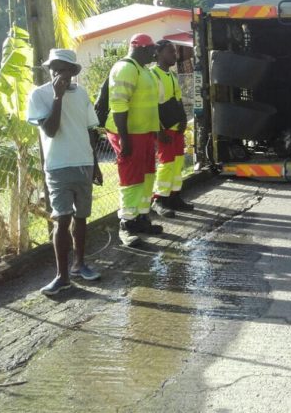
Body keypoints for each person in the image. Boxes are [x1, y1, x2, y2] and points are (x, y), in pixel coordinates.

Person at [27, 49, 102, 295]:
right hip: (58, 165)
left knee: (81, 217)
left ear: (73, 71)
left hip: (83, 163)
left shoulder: (81, 94)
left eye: (63, 68)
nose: (58, 72)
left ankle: (80, 264)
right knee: (62, 218)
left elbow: (90, 131)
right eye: (54, 68)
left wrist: (96, 164)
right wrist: (57, 98)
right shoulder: (40, 95)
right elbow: (50, 130)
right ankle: (62, 276)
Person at [105, 33, 162, 246]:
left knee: (147, 176)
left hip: (144, 133)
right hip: (129, 134)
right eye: (151, 50)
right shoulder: (125, 68)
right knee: (131, 179)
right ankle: (126, 225)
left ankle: (141, 218)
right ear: (139, 48)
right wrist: (125, 139)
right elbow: (119, 105)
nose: (154, 53)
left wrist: (154, 130)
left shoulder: (143, 70)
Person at [151, 39, 193, 217]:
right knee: (166, 164)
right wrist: (159, 130)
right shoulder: (153, 75)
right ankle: (159, 199)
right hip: (164, 128)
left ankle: (174, 196)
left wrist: (183, 120)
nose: (174, 55)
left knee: (177, 163)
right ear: (159, 53)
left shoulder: (172, 75)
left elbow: (177, 100)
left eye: (174, 52)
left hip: (176, 127)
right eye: (170, 52)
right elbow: (151, 105)